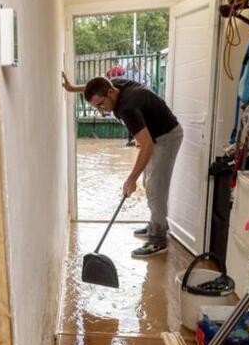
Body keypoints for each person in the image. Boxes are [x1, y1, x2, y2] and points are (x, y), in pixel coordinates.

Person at [62, 71, 183, 258]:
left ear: (111, 93)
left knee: (155, 188)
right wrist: (72, 88)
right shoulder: (113, 85)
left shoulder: (127, 107)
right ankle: (155, 224)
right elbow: (94, 86)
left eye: (101, 105)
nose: (101, 110)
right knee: (148, 182)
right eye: (96, 107)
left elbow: (147, 146)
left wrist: (130, 179)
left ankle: (158, 241)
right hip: (154, 133)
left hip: (166, 136)